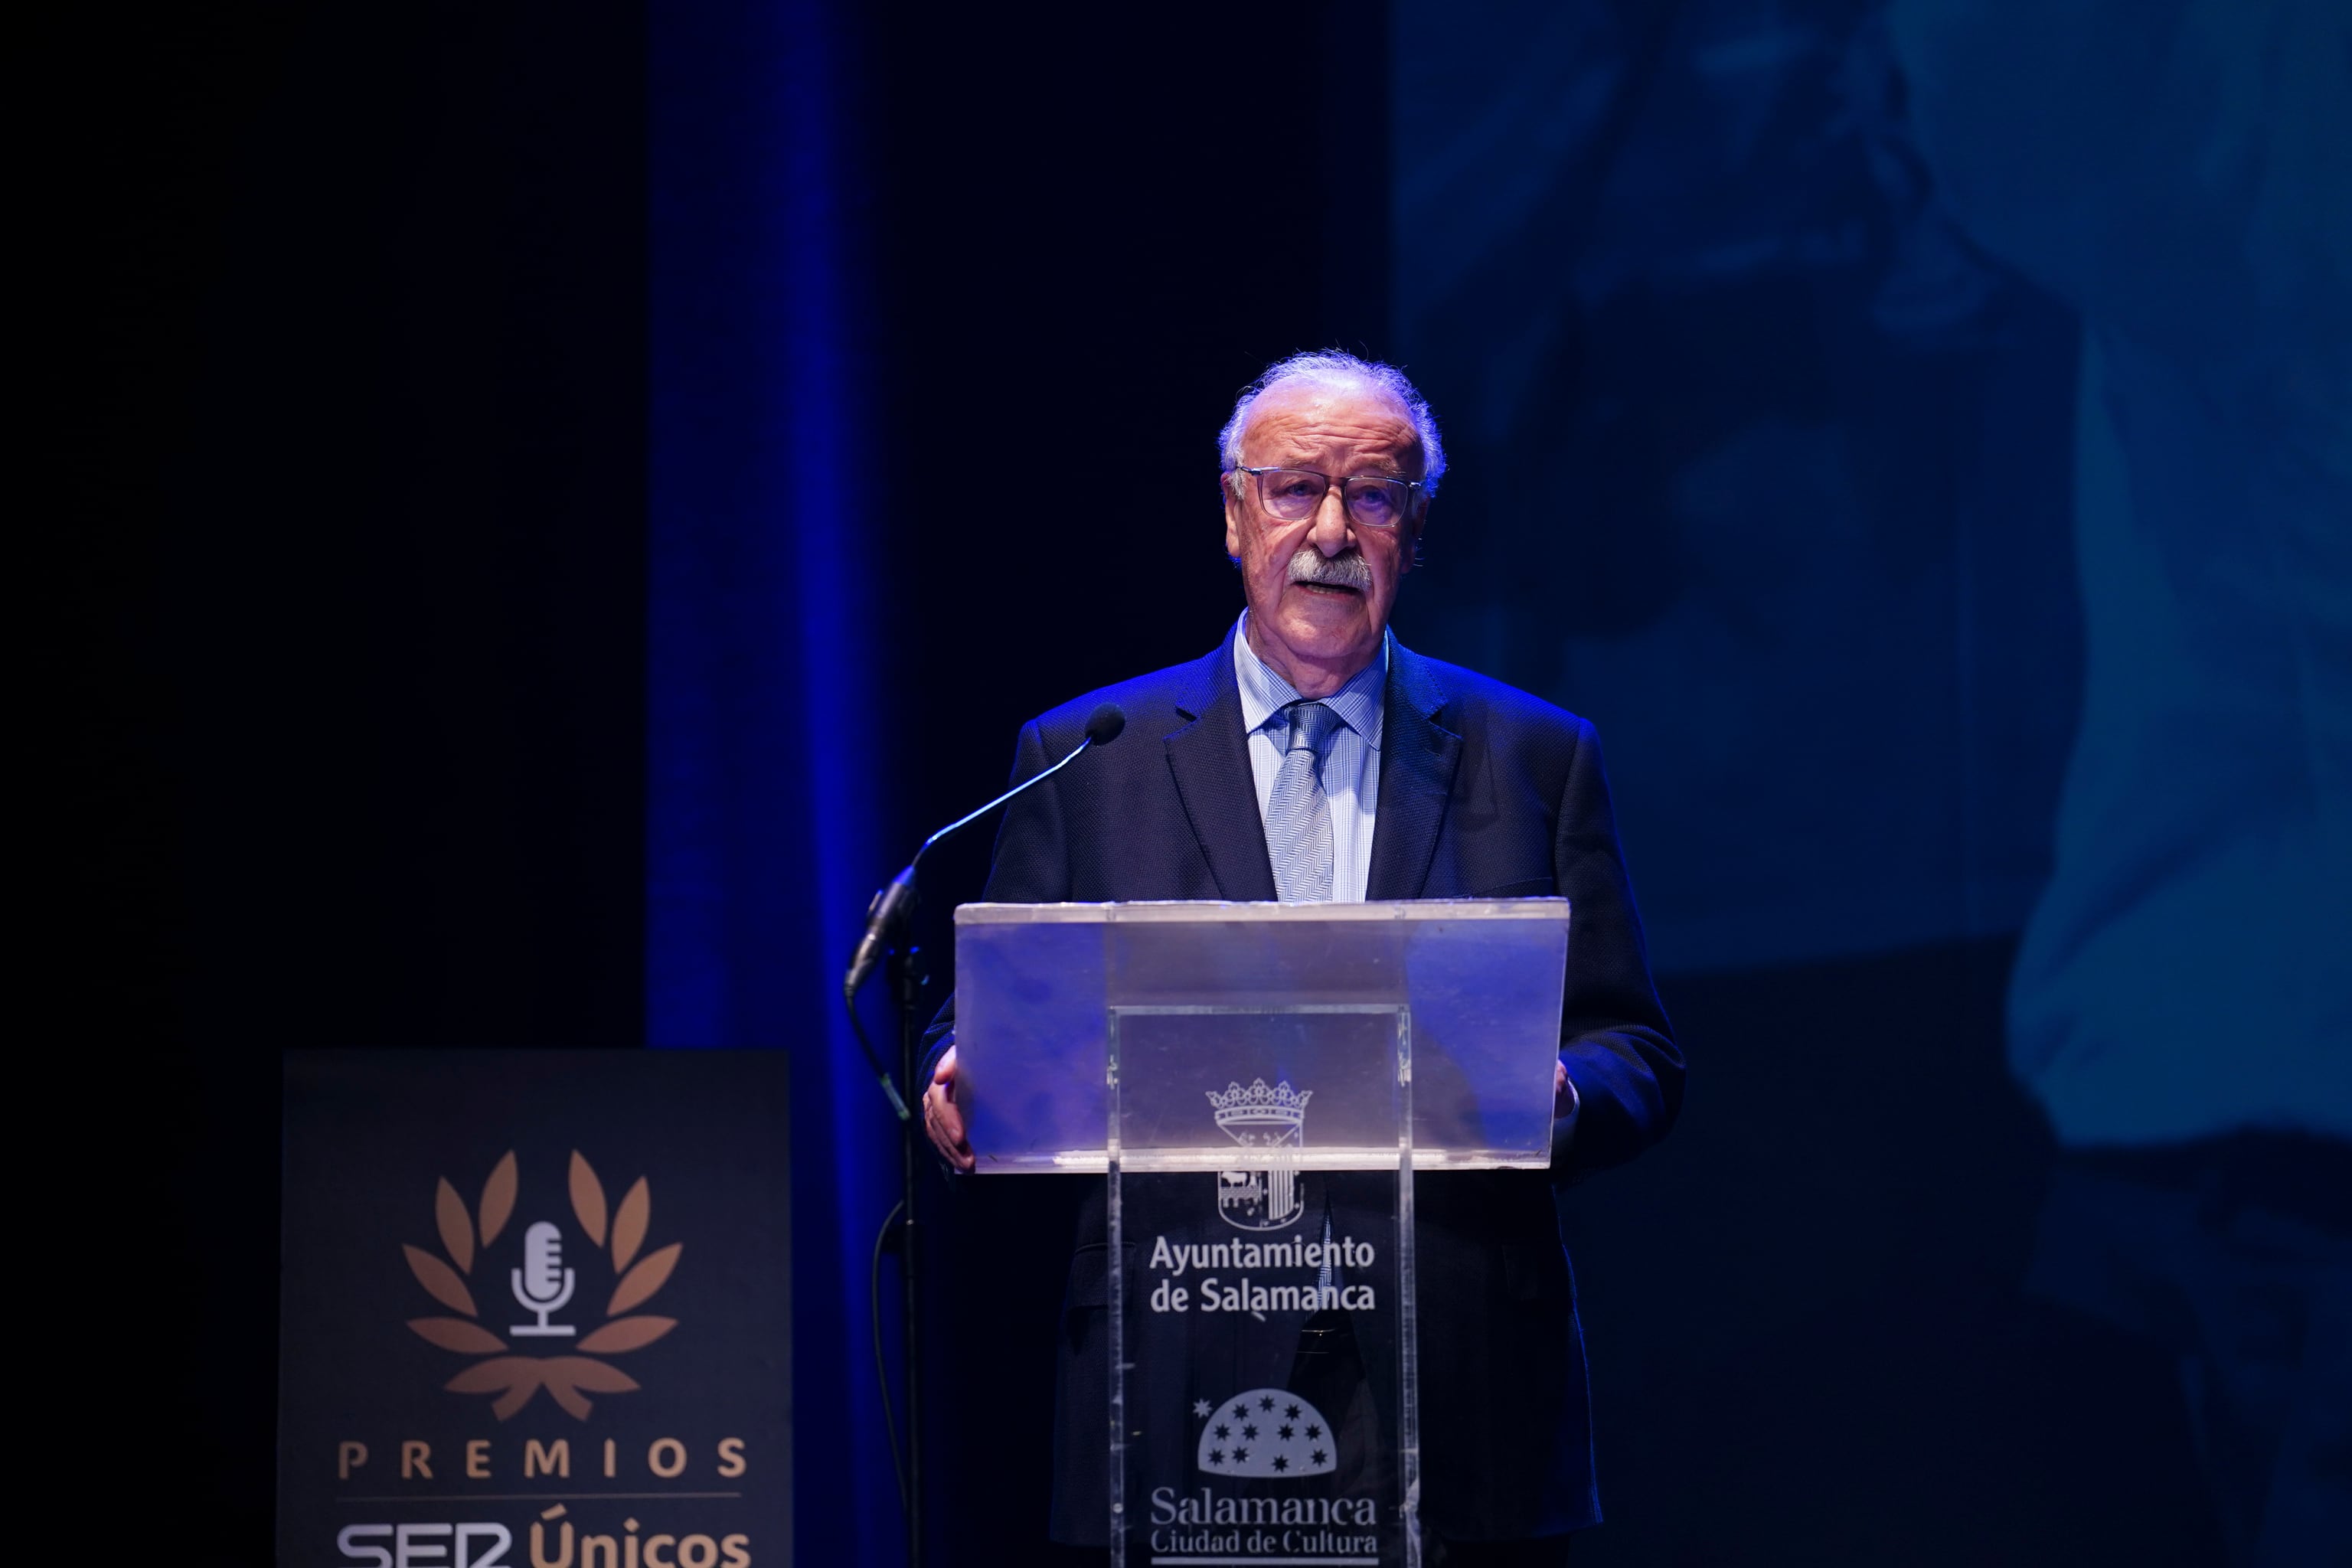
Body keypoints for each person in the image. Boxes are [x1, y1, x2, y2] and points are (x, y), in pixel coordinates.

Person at [920, 351, 1683, 1564]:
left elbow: (1636, 1048)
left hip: (1462, 1378)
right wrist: (958, 1073)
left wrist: (1561, 1098)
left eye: (1372, 495)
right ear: (1235, 515)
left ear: (1412, 531)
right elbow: (997, 1012)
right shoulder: (1091, 754)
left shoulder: (1535, 757)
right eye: (1293, 490)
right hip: (1174, 1377)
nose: (1331, 529)